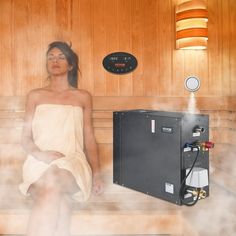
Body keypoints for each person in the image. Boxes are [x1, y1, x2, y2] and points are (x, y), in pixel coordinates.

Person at [19, 41, 103, 236]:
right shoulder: (35, 96)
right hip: (38, 162)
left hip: (72, 162)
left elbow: (89, 138)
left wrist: (98, 174)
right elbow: (24, 139)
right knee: (61, 201)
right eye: (50, 57)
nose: (54, 61)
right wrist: (42, 155)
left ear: (70, 65)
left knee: (53, 183)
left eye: (61, 57)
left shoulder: (82, 97)